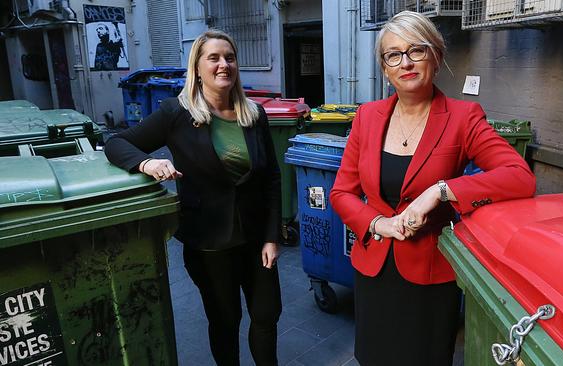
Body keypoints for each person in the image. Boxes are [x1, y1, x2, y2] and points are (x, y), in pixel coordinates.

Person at [330, 11, 536, 366]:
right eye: (393, 55)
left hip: (428, 273)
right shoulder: (367, 116)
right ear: (385, 68)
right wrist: (377, 224)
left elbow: (519, 176)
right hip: (374, 268)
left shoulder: (463, 117)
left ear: (436, 57)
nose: (405, 62)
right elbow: (341, 193)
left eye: (417, 51)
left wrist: (440, 191)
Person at [104, 29, 282, 366]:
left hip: (257, 239)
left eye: (229, 57)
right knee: (225, 321)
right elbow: (116, 143)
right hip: (209, 244)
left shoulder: (254, 115)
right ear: (197, 68)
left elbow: (272, 178)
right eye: (213, 58)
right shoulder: (176, 114)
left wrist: (273, 237)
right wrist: (147, 162)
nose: (223, 64)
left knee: (266, 315)